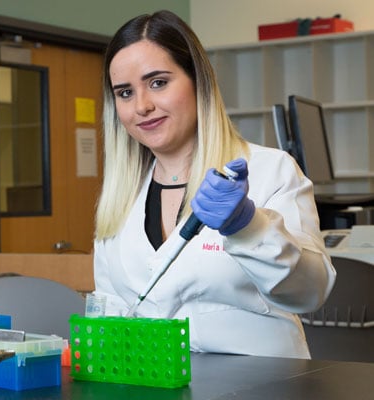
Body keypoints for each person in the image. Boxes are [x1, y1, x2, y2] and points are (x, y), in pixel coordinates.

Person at [92, 10, 336, 359]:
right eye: (125, 92)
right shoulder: (120, 196)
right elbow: (110, 314)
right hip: (156, 385)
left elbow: (310, 293)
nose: (142, 106)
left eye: (158, 82)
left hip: (266, 385)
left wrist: (249, 227)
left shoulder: (270, 171)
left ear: (198, 82)